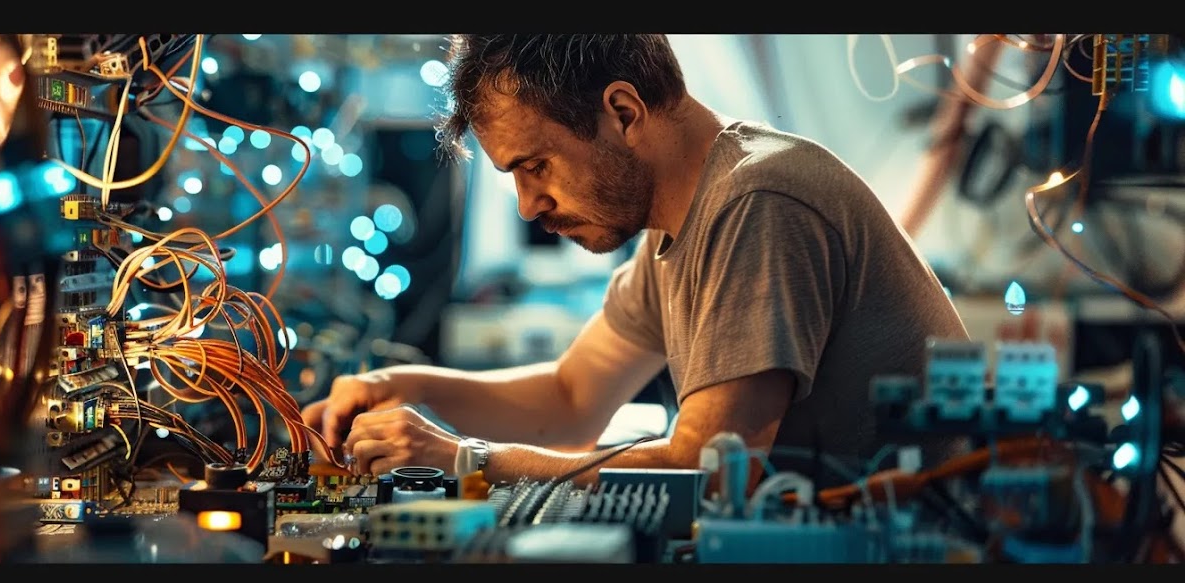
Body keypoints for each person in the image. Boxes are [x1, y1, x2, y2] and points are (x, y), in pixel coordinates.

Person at [300, 34, 968, 485]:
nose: (529, 205)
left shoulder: (759, 200)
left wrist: (468, 460)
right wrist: (407, 387)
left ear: (621, 110)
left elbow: (707, 470)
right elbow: (570, 401)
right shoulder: (680, 224)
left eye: (536, 166)